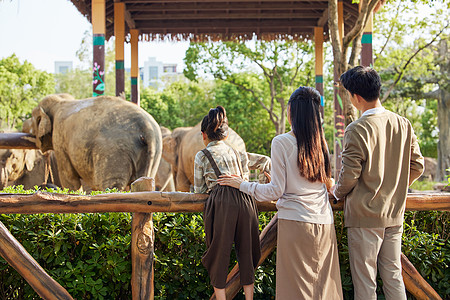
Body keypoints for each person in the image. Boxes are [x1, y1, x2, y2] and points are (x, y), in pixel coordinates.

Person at [218, 87, 343, 300]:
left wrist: (241, 184)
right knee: (324, 290)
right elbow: (323, 182)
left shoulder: (282, 142)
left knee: (296, 291)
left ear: (291, 111)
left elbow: (276, 190)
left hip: (296, 224)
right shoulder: (320, 143)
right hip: (324, 222)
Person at [332, 66, 424, 300]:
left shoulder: (357, 128)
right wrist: (395, 186)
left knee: (365, 282)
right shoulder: (403, 123)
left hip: (364, 215)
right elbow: (417, 166)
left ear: (356, 96)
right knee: (393, 276)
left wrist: (335, 192)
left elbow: (349, 176)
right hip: (394, 213)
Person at [194, 106, 261, 300]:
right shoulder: (238, 153)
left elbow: (200, 191)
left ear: (204, 134)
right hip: (246, 200)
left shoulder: (202, 155)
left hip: (223, 204)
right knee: (247, 254)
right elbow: (244, 179)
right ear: (225, 134)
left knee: (219, 255)